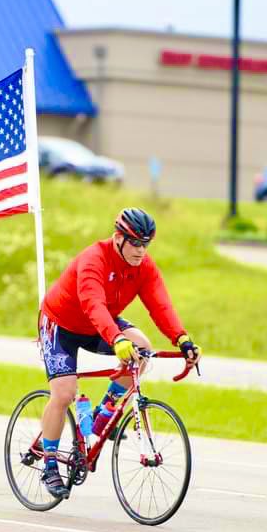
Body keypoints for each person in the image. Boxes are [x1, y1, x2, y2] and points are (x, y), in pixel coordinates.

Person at [37, 207, 201, 498]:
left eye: (146, 244)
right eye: (135, 243)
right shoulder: (94, 259)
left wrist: (182, 339)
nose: (141, 250)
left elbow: (160, 305)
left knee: (142, 350)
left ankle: (102, 418)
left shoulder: (144, 266)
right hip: (61, 324)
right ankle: (50, 464)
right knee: (63, 393)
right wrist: (115, 338)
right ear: (118, 238)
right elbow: (92, 304)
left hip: (99, 325)